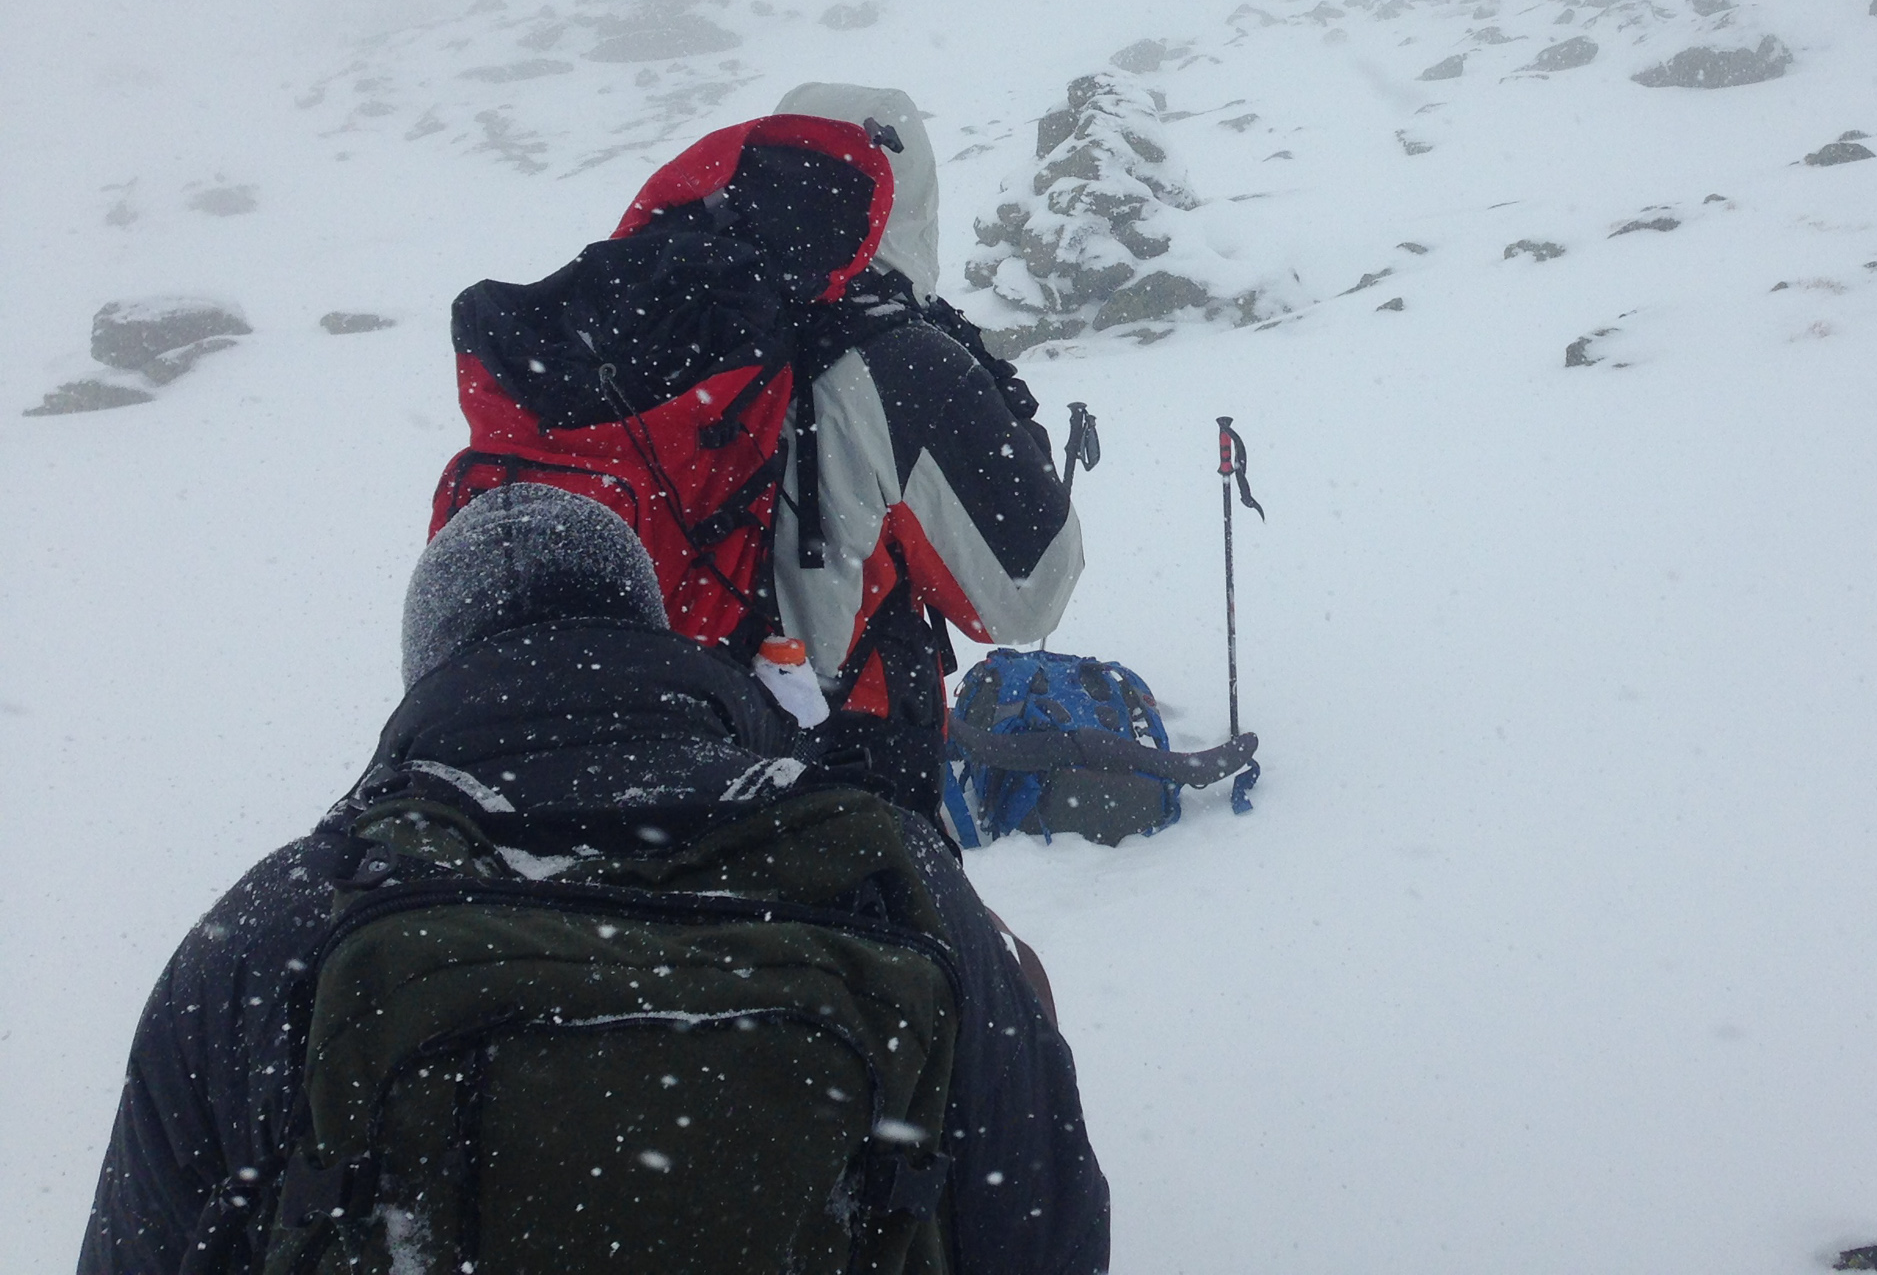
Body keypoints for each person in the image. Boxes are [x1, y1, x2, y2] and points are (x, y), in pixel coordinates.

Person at [79, 484, 1109, 1274]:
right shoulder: (879, 868)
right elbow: (1046, 1231)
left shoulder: (289, 918)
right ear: (646, 629)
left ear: (429, 676)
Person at [626, 81, 1086, 816]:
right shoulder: (900, 360)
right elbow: (1030, 594)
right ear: (910, 196)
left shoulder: (662, 328)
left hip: (649, 760)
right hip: (840, 778)